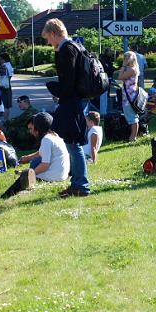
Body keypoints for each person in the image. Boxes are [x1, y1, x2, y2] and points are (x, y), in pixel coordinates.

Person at [43, 18, 90, 197]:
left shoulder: (67, 50)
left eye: (48, 37)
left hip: (72, 99)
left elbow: (68, 80)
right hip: (78, 98)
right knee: (72, 142)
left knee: (73, 143)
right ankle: (78, 183)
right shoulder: (75, 46)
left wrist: (55, 88)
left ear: (54, 33)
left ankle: (81, 185)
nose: (48, 42)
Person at [3, 112, 67, 197]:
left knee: (23, 178)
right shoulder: (54, 136)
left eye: (31, 128)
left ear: (37, 127)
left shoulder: (46, 140)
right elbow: (42, 152)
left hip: (53, 177)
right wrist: (28, 158)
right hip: (62, 175)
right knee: (35, 161)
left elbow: (45, 165)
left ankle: (4, 197)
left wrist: (29, 173)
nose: (30, 132)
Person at [118, 51, 141, 142]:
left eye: (128, 57)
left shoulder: (132, 69)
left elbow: (120, 77)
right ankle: (132, 136)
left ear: (133, 58)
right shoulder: (130, 68)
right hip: (128, 95)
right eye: (125, 57)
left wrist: (123, 65)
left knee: (132, 117)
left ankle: (133, 137)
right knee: (131, 116)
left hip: (130, 96)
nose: (126, 59)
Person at [0, 53, 14, 121]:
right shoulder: (9, 65)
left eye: (0, 59)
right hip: (8, 85)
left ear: (4, 59)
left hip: (3, 86)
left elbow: (0, 76)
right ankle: (6, 120)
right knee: (8, 105)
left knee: (5, 105)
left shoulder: (3, 66)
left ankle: (5, 120)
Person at [99, 48, 115, 115]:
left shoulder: (108, 59)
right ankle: (103, 111)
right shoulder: (103, 59)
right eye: (110, 51)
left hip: (108, 78)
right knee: (104, 95)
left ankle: (105, 110)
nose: (111, 53)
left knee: (106, 95)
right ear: (107, 52)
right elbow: (106, 68)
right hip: (105, 79)